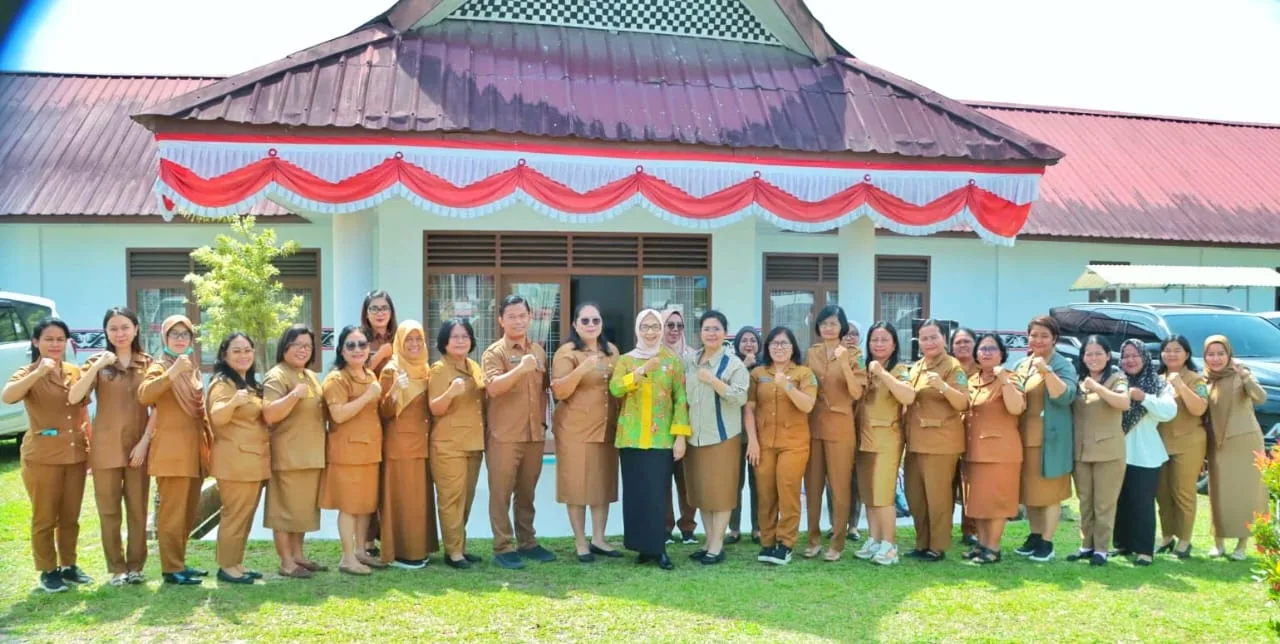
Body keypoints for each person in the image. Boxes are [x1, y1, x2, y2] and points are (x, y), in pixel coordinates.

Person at [3, 317, 91, 593]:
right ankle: (47, 570)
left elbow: (82, 409)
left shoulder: (74, 372)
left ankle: (69, 565)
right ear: (36, 342)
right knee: (45, 516)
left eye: (60, 339)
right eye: (49, 339)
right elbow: (8, 396)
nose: (55, 344)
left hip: (75, 454)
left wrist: (90, 444)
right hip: (41, 456)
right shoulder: (28, 371)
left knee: (70, 515)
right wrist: (38, 373)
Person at [67, 307, 152, 586]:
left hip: (139, 447)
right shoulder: (97, 362)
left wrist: (144, 444)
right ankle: (117, 568)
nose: (120, 333)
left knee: (138, 509)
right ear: (106, 332)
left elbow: (158, 409)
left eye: (125, 327)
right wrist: (95, 366)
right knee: (109, 510)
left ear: (136, 329)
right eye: (113, 328)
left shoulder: (148, 363)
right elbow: (75, 396)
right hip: (105, 448)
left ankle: (136, 566)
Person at [610, 309, 691, 570]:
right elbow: (615, 388)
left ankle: (658, 549)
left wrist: (680, 437)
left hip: (661, 439)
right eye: (645, 327)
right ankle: (641, 548)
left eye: (655, 326)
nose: (650, 331)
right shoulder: (626, 360)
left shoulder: (671, 360)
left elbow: (680, 399)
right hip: (631, 438)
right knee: (635, 495)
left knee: (657, 494)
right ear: (637, 329)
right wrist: (642, 370)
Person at [482, 295, 555, 569]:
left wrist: (546, 425)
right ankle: (503, 546)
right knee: (500, 493)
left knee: (527, 492)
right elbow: (493, 388)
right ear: (501, 320)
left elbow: (544, 391)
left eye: (522, 315)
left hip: (534, 435)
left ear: (530, 317)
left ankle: (527, 542)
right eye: (511, 316)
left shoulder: (537, 351)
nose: (518, 320)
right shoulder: (495, 353)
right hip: (504, 436)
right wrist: (520, 369)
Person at [137, 315, 209, 586]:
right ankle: (170, 569)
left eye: (185, 334)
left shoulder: (191, 367)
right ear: (164, 338)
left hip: (193, 451)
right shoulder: (161, 365)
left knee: (188, 512)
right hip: (171, 452)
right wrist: (172, 372)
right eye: (174, 334)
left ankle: (179, 561)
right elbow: (144, 395)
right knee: (172, 513)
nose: (180, 339)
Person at [550, 303, 622, 563]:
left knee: (602, 484)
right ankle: (581, 542)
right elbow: (559, 391)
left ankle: (599, 539)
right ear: (575, 324)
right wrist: (583, 368)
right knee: (577, 485)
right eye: (585, 321)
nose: (591, 325)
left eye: (595, 320)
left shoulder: (612, 351)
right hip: (575, 429)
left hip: (606, 427)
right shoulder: (567, 352)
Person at [683, 310, 751, 565]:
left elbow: (739, 398)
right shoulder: (689, 361)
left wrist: (712, 380)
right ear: (700, 333)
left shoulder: (734, 364)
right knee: (702, 492)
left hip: (723, 437)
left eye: (716, 329)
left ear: (725, 333)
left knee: (721, 493)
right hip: (694, 437)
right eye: (707, 329)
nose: (711, 333)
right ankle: (709, 540)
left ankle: (717, 544)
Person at [748, 326, 818, 566]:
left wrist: (787, 385)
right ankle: (767, 541)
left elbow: (808, 405)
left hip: (794, 444)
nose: (779, 348)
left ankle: (785, 543)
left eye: (784, 344)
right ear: (767, 347)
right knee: (765, 493)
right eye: (774, 343)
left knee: (788, 492)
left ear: (793, 348)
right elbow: (750, 408)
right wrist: (753, 441)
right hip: (764, 443)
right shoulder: (758, 373)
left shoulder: (804, 373)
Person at [261, 324, 327, 578]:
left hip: (311, 455)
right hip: (288, 455)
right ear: (285, 347)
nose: (303, 350)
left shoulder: (309, 375)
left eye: (308, 346)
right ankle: (286, 562)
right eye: (297, 345)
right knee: (284, 511)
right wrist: (293, 397)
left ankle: (298, 555)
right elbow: (269, 413)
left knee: (302, 511)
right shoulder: (277, 375)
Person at [903, 319, 969, 562]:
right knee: (916, 496)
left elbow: (963, 402)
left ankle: (937, 546)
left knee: (938, 497)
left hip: (941, 443)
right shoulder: (917, 366)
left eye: (934, 337)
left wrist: (943, 386)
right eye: (924, 338)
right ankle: (922, 543)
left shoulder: (953, 367)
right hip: (915, 441)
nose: (928, 342)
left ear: (944, 339)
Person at [803, 305, 866, 561]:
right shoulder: (812, 353)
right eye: (824, 323)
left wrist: (844, 363)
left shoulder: (854, 354)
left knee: (840, 488)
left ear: (841, 327)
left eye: (833, 323)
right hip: (813, 425)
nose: (828, 328)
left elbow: (857, 393)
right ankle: (813, 538)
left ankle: (837, 542)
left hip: (841, 427)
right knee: (813, 485)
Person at [320, 326, 385, 576]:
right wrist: (369, 395)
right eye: (351, 345)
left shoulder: (369, 374)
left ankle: (360, 551)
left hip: (370, 451)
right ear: (341, 350)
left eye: (362, 345)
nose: (357, 350)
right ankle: (347, 557)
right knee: (348, 506)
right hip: (346, 453)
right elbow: (338, 414)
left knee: (364, 505)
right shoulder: (336, 379)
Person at [1012, 315, 1077, 563]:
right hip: (1025, 438)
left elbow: (1065, 396)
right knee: (1032, 493)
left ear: (1054, 339)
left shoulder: (1062, 364)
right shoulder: (1022, 364)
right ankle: (1035, 535)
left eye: (1044, 335)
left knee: (1050, 493)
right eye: (1034, 334)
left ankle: (1048, 541)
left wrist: (1046, 371)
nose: (1038, 340)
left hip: (1051, 440)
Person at [206, 332, 269, 584]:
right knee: (234, 514)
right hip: (235, 462)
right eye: (236, 350)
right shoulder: (223, 384)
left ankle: (236, 562)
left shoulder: (249, 382)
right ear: (225, 355)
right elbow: (216, 416)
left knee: (245, 515)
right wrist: (233, 402)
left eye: (247, 350)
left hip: (252, 461)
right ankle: (226, 566)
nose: (243, 355)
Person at [377, 321, 439, 569]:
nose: (414, 345)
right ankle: (403, 553)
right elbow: (383, 412)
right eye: (408, 340)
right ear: (399, 343)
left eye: (418, 339)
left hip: (422, 443)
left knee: (419, 500)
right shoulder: (392, 370)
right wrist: (394, 391)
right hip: (400, 445)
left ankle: (419, 547)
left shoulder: (425, 369)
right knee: (403, 499)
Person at [1202, 334, 1268, 561]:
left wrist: (1246, 376)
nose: (1216, 359)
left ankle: (1242, 545)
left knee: (1246, 493)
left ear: (1229, 355)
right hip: (1217, 443)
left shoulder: (1242, 374)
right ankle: (1218, 543)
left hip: (1245, 441)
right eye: (1211, 354)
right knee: (1218, 493)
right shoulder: (1205, 380)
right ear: (1205, 357)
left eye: (1221, 354)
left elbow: (1261, 397)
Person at [1067, 336, 1131, 567]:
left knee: (1104, 503)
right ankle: (1086, 545)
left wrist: (1098, 388)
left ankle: (1102, 549)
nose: (1093, 358)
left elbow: (1123, 403)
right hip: (1081, 451)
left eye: (1098, 353)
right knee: (1084, 501)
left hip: (1108, 452)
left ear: (1107, 355)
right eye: (1088, 354)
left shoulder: (1117, 378)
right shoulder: (1077, 381)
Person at [428, 318, 486, 570]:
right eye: (455, 337)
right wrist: (450, 392)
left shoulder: (474, 366)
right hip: (448, 444)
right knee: (451, 499)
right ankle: (453, 552)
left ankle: (459, 545)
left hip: (474, 442)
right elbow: (434, 408)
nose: (461, 340)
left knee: (467, 498)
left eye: (465, 336)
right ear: (444, 342)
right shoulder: (439, 369)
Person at [1112, 338, 1175, 566]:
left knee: (1142, 502)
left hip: (1145, 454)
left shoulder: (1158, 383)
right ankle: (1122, 544)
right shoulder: (1117, 381)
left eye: (1134, 355)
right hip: (1116, 451)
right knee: (1120, 501)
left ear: (1145, 357)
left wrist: (1144, 398)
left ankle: (1144, 550)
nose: (1129, 360)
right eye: (1125, 356)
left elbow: (1169, 411)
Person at [962, 333, 1024, 565]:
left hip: (1001, 452)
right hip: (973, 449)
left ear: (1002, 354)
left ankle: (993, 547)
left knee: (996, 501)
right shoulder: (972, 380)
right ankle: (982, 543)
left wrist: (1004, 380)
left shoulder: (1010, 377)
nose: (986, 352)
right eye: (982, 349)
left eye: (992, 349)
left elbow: (1017, 407)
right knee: (978, 501)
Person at [856, 322, 913, 566]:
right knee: (869, 495)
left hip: (887, 439)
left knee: (883, 494)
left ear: (894, 344)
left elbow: (908, 396)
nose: (878, 344)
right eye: (874, 340)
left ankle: (890, 545)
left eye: (884, 340)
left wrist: (881, 373)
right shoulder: (864, 369)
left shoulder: (899, 369)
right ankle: (875, 539)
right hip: (863, 438)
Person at [1155, 335, 1209, 558]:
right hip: (1159, 443)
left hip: (1189, 443)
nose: (1171, 354)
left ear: (1187, 354)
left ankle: (1185, 541)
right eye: (1167, 350)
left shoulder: (1197, 380)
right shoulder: (1157, 378)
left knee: (1183, 492)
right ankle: (1167, 537)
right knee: (1163, 493)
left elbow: (1199, 409)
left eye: (1177, 350)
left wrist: (1180, 385)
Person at [359, 289, 396, 557]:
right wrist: (380, 355)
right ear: (366, 313)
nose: (380, 313)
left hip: (397, 416)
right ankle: (367, 539)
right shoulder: (358, 340)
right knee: (370, 478)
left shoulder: (401, 338)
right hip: (368, 417)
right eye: (374, 308)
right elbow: (355, 375)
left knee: (391, 479)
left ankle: (390, 534)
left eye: (384, 308)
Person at [661, 308, 698, 545]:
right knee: (663, 481)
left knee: (687, 481)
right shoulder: (653, 355)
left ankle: (688, 528)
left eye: (679, 326)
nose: (675, 330)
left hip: (688, 426)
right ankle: (665, 528)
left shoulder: (693, 356)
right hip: (662, 427)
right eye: (670, 325)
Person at [728, 326, 763, 545]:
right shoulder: (730, 365)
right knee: (735, 482)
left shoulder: (766, 368)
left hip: (759, 433)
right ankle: (734, 528)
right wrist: (744, 366)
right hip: (734, 431)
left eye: (753, 340)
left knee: (757, 482)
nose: (748, 344)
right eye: (744, 340)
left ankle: (758, 528)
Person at [949, 327, 980, 548]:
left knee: (970, 484)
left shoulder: (983, 370)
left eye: (967, 341)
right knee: (946, 485)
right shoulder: (947, 369)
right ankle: (943, 529)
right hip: (948, 433)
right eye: (958, 342)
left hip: (974, 434)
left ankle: (970, 530)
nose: (962, 346)